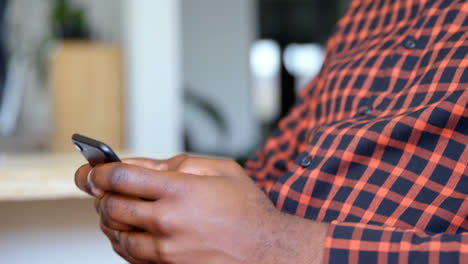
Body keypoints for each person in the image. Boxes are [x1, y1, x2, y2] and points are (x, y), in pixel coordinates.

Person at [75, 0, 468, 263]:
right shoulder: (370, 11)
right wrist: (179, 192)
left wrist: (274, 246)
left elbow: (266, 238)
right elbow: (276, 167)